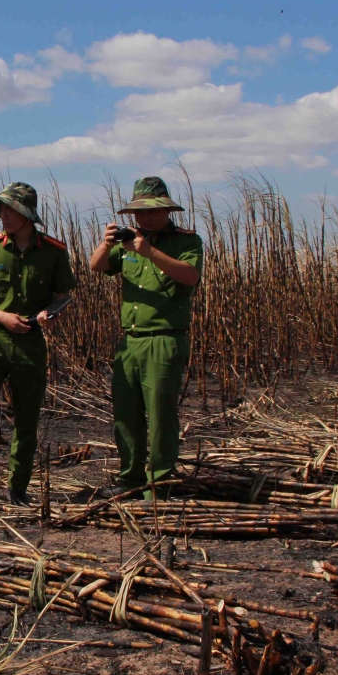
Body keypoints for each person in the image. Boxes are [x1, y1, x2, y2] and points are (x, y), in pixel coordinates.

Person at [0, 182, 76, 507]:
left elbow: (63, 296)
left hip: (30, 344)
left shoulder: (53, 252)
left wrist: (50, 315)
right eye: (1, 210)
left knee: (27, 417)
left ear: (25, 214)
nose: (3, 216)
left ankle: (17, 488)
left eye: (9, 210)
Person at [89, 176, 203, 500]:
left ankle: (160, 484)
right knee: (126, 414)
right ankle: (131, 478)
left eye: (153, 212)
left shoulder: (186, 241)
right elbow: (96, 266)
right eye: (139, 213)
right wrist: (106, 243)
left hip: (164, 340)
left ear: (167, 210)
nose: (145, 218)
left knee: (161, 414)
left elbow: (190, 276)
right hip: (131, 341)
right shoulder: (129, 244)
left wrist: (150, 252)